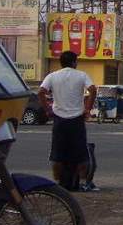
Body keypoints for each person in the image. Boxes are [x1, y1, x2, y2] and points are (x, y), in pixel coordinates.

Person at [38, 51, 97, 192]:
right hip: (77, 119)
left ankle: (58, 182)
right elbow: (92, 90)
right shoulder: (81, 75)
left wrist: (48, 109)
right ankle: (83, 182)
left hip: (59, 120)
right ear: (74, 62)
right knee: (81, 154)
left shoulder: (52, 76)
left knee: (57, 153)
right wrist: (87, 109)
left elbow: (40, 92)